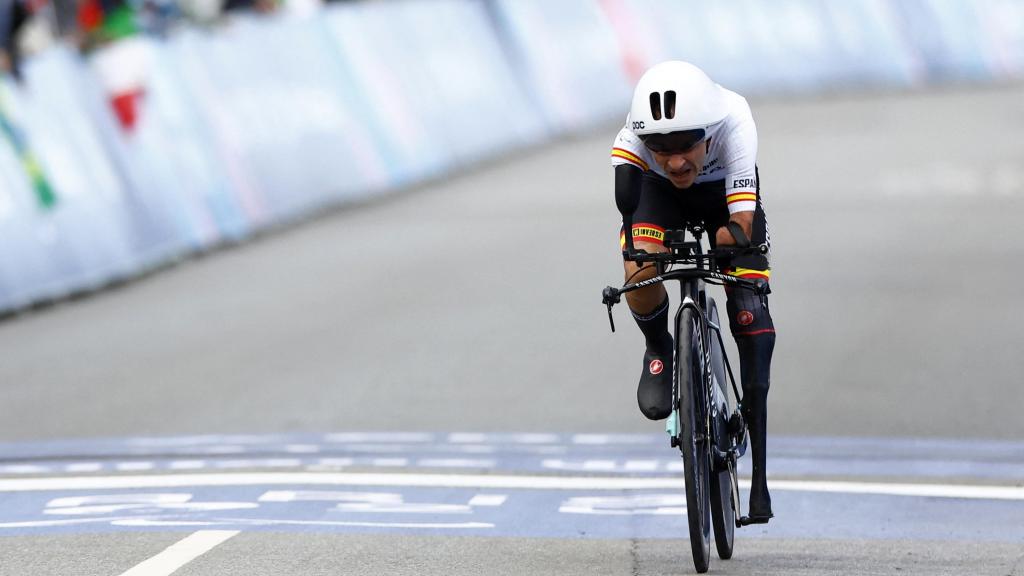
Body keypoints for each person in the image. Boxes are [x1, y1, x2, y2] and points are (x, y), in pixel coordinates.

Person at [611, 60, 775, 522]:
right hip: (657, 195)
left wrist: (730, 256)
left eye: (686, 145)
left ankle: (759, 475)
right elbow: (628, 214)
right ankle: (659, 346)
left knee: (749, 308)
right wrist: (644, 257)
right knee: (639, 267)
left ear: (708, 132)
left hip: (721, 194)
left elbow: (740, 224)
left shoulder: (734, 121)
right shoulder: (631, 143)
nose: (676, 160)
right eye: (661, 148)